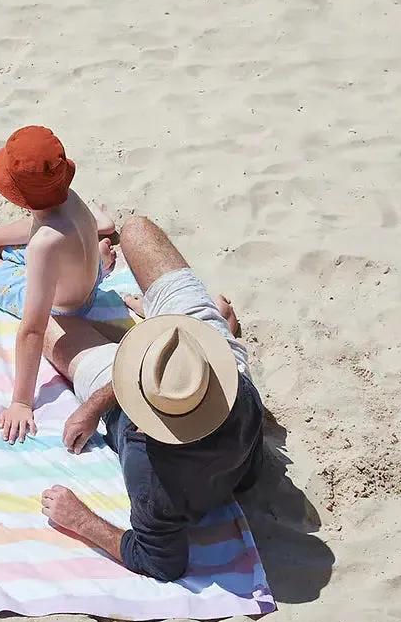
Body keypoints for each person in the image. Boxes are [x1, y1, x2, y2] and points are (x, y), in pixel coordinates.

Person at [37, 215, 264, 582]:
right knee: (137, 231)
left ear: (142, 417)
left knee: (51, 326)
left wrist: (78, 518)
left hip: (200, 354)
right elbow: (173, 377)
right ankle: (191, 324)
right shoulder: (235, 393)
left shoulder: (152, 480)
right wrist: (202, 351)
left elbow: (161, 563)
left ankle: (173, 325)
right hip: (198, 352)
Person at [0, 125, 115, 444]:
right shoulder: (68, 197)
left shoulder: (44, 246)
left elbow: (33, 329)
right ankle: (100, 249)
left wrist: (21, 402)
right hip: (87, 277)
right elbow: (35, 225)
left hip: (63, 307)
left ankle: (98, 248)